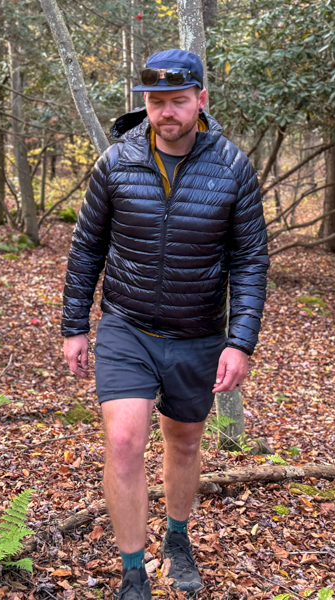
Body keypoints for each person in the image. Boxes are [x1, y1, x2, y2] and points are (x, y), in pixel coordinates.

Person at [61, 49, 269, 599]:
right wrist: (74, 326)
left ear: (201, 100)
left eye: (178, 101)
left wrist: (240, 341)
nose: (166, 113)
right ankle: (133, 572)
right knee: (125, 441)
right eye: (156, 102)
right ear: (144, 104)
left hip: (198, 332)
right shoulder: (117, 162)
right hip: (127, 327)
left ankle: (177, 538)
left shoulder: (232, 167)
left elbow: (250, 259)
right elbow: (87, 250)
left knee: (182, 443)